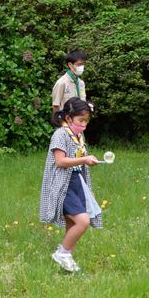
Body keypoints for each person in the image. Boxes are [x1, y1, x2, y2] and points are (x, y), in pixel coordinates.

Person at [39, 97, 102, 272]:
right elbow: (60, 161)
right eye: (81, 120)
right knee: (83, 221)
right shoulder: (60, 134)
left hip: (75, 182)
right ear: (68, 118)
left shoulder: (78, 135)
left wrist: (88, 160)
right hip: (62, 184)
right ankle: (62, 253)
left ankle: (66, 263)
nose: (84, 125)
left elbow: (78, 158)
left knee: (72, 224)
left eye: (86, 121)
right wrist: (83, 159)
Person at [52, 50, 88, 115]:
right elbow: (56, 106)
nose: (82, 67)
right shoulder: (61, 83)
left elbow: (83, 101)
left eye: (83, 64)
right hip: (65, 121)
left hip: (79, 121)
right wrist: (59, 123)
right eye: (79, 64)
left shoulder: (81, 83)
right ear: (70, 65)